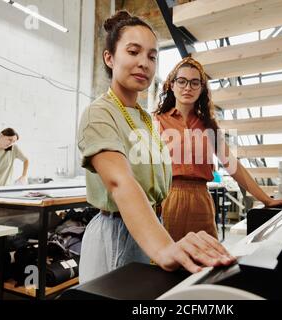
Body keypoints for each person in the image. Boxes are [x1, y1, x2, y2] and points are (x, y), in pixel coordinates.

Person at [77, 11, 235, 283]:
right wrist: (163, 247)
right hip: (117, 232)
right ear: (109, 58)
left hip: (151, 225)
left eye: (152, 56)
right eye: (133, 52)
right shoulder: (99, 113)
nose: (144, 63)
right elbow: (120, 183)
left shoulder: (145, 119)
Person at [154, 57, 282, 241]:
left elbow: (233, 166)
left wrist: (266, 199)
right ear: (172, 85)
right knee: (167, 261)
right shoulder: (156, 121)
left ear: (202, 88)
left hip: (201, 203)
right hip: (168, 200)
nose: (187, 87)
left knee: (207, 261)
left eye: (195, 82)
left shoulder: (208, 125)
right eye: (181, 81)